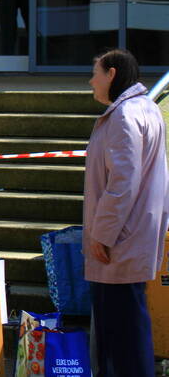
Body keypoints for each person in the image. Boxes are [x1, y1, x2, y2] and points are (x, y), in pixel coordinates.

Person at [83, 48, 168, 376]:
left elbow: (122, 183)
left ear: (112, 74)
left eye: (96, 72)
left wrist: (101, 235)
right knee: (127, 327)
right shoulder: (145, 109)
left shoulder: (123, 115)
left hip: (120, 239)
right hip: (135, 233)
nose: (92, 81)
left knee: (121, 332)